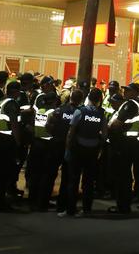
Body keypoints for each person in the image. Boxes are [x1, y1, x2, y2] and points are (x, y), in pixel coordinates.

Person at [63, 88, 107, 217]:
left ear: (88, 97)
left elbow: (71, 132)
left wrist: (68, 149)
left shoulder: (80, 111)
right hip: (92, 151)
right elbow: (104, 134)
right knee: (88, 182)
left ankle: (70, 209)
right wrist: (100, 147)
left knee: (73, 180)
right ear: (100, 99)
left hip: (78, 149)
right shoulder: (101, 114)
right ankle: (86, 209)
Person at [107, 83, 139, 214]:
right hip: (125, 144)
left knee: (122, 176)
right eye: (125, 90)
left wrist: (108, 129)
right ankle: (122, 204)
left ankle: (122, 205)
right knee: (123, 175)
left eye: (128, 90)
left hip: (124, 145)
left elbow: (117, 124)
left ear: (135, 92)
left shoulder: (130, 104)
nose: (125, 92)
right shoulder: (131, 103)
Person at [50, 88, 83, 216]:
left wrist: (54, 135)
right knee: (67, 178)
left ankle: (42, 202)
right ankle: (62, 204)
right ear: (80, 99)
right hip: (70, 147)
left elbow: (49, 124)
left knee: (50, 173)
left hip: (57, 144)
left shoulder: (60, 110)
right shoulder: (80, 112)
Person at [0, 81, 22, 212]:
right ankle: (0, 203)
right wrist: (19, 142)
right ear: (15, 91)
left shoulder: (0, 101)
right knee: (4, 174)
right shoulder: (11, 104)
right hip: (7, 141)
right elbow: (14, 125)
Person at [27, 90, 60, 211]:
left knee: (35, 174)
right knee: (47, 175)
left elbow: (30, 127)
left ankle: (32, 200)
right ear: (54, 101)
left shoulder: (39, 111)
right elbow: (54, 129)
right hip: (48, 146)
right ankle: (42, 203)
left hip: (37, 144)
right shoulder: (54, 113)